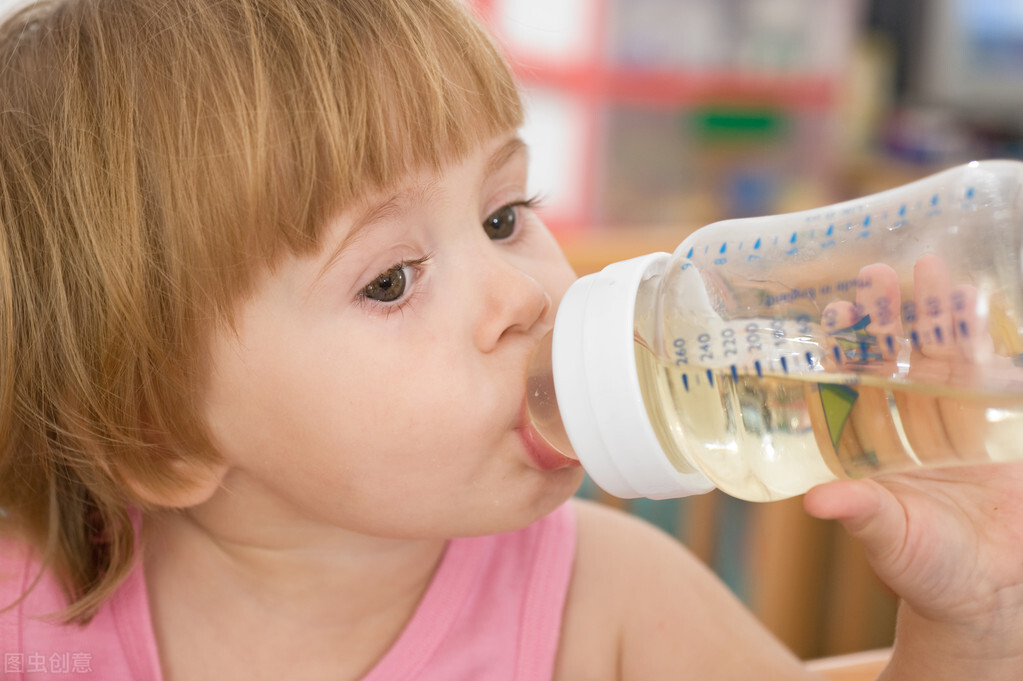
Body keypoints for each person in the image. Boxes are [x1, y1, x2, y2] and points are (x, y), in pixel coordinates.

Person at [1, 0, 1021, 679]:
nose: (525, 295)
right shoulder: (28, 615)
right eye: (391, 279)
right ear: (164, 435)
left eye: (503, 215)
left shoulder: (609, 602)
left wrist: (970, 622)